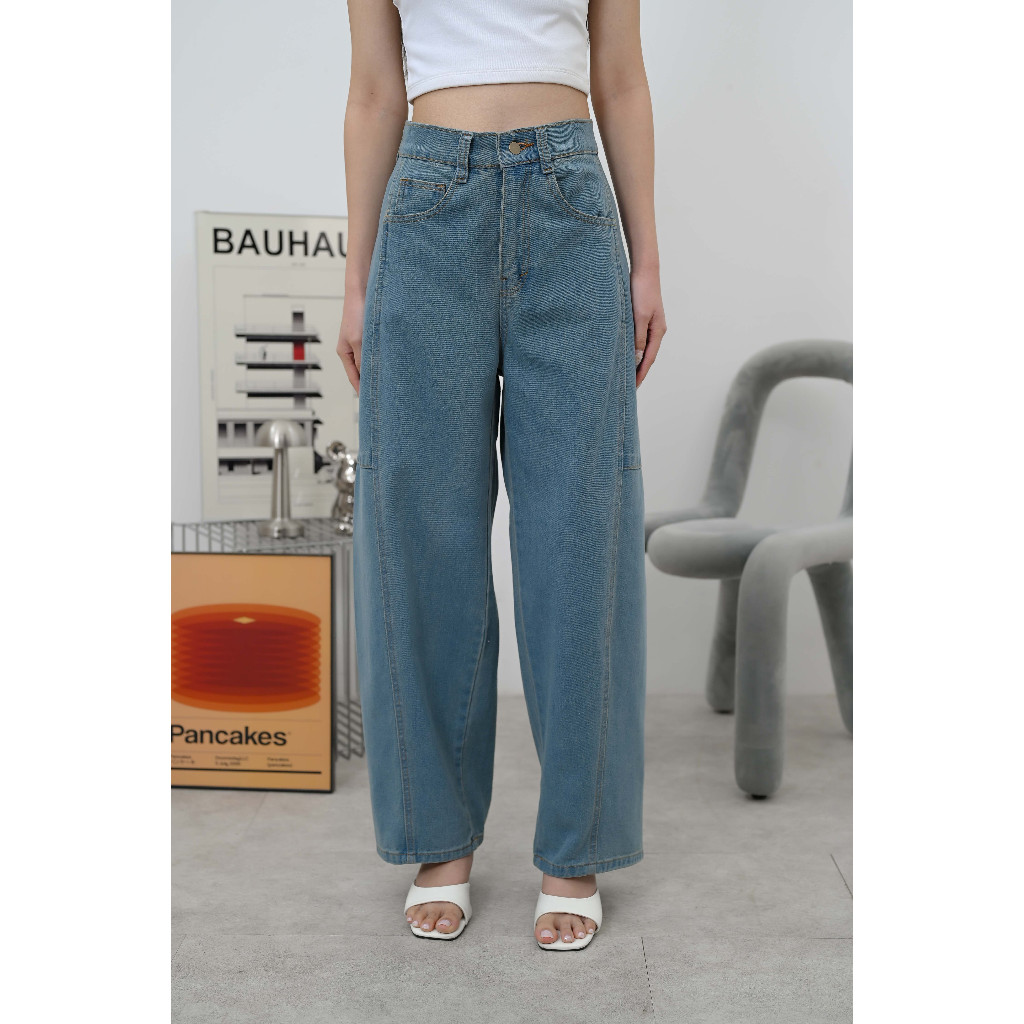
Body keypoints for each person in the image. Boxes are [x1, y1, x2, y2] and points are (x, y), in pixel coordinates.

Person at [337, 0, 666, 951]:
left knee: (581, 534)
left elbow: (620, 78)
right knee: (421, 533)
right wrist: (358, 278)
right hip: (426, 209)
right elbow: (374, 91)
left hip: (570, 203)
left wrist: (646, 259)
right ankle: (440, 843)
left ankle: (574, 849)